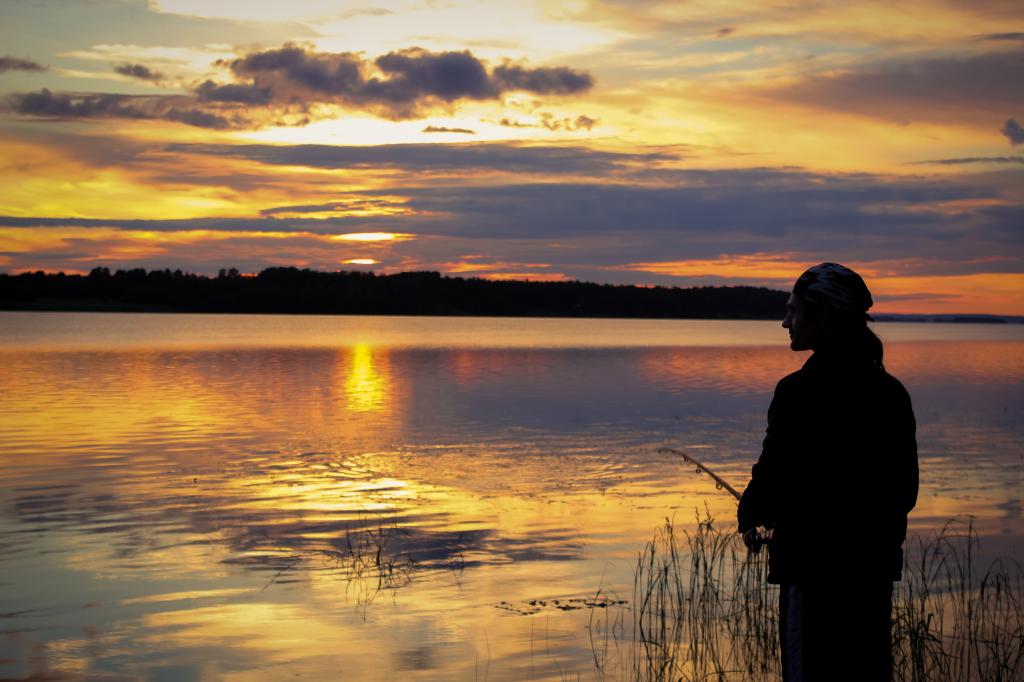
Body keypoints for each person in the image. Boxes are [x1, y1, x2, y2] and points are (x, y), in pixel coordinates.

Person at [737, 263, 918, 681]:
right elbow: (903, 492)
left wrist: (752, 513)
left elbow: (772, 477)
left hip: (810, 576)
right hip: (870, 582)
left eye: (794, 311)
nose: (785, 322)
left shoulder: (798, 392)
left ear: (823, 317)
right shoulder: (890, 394)